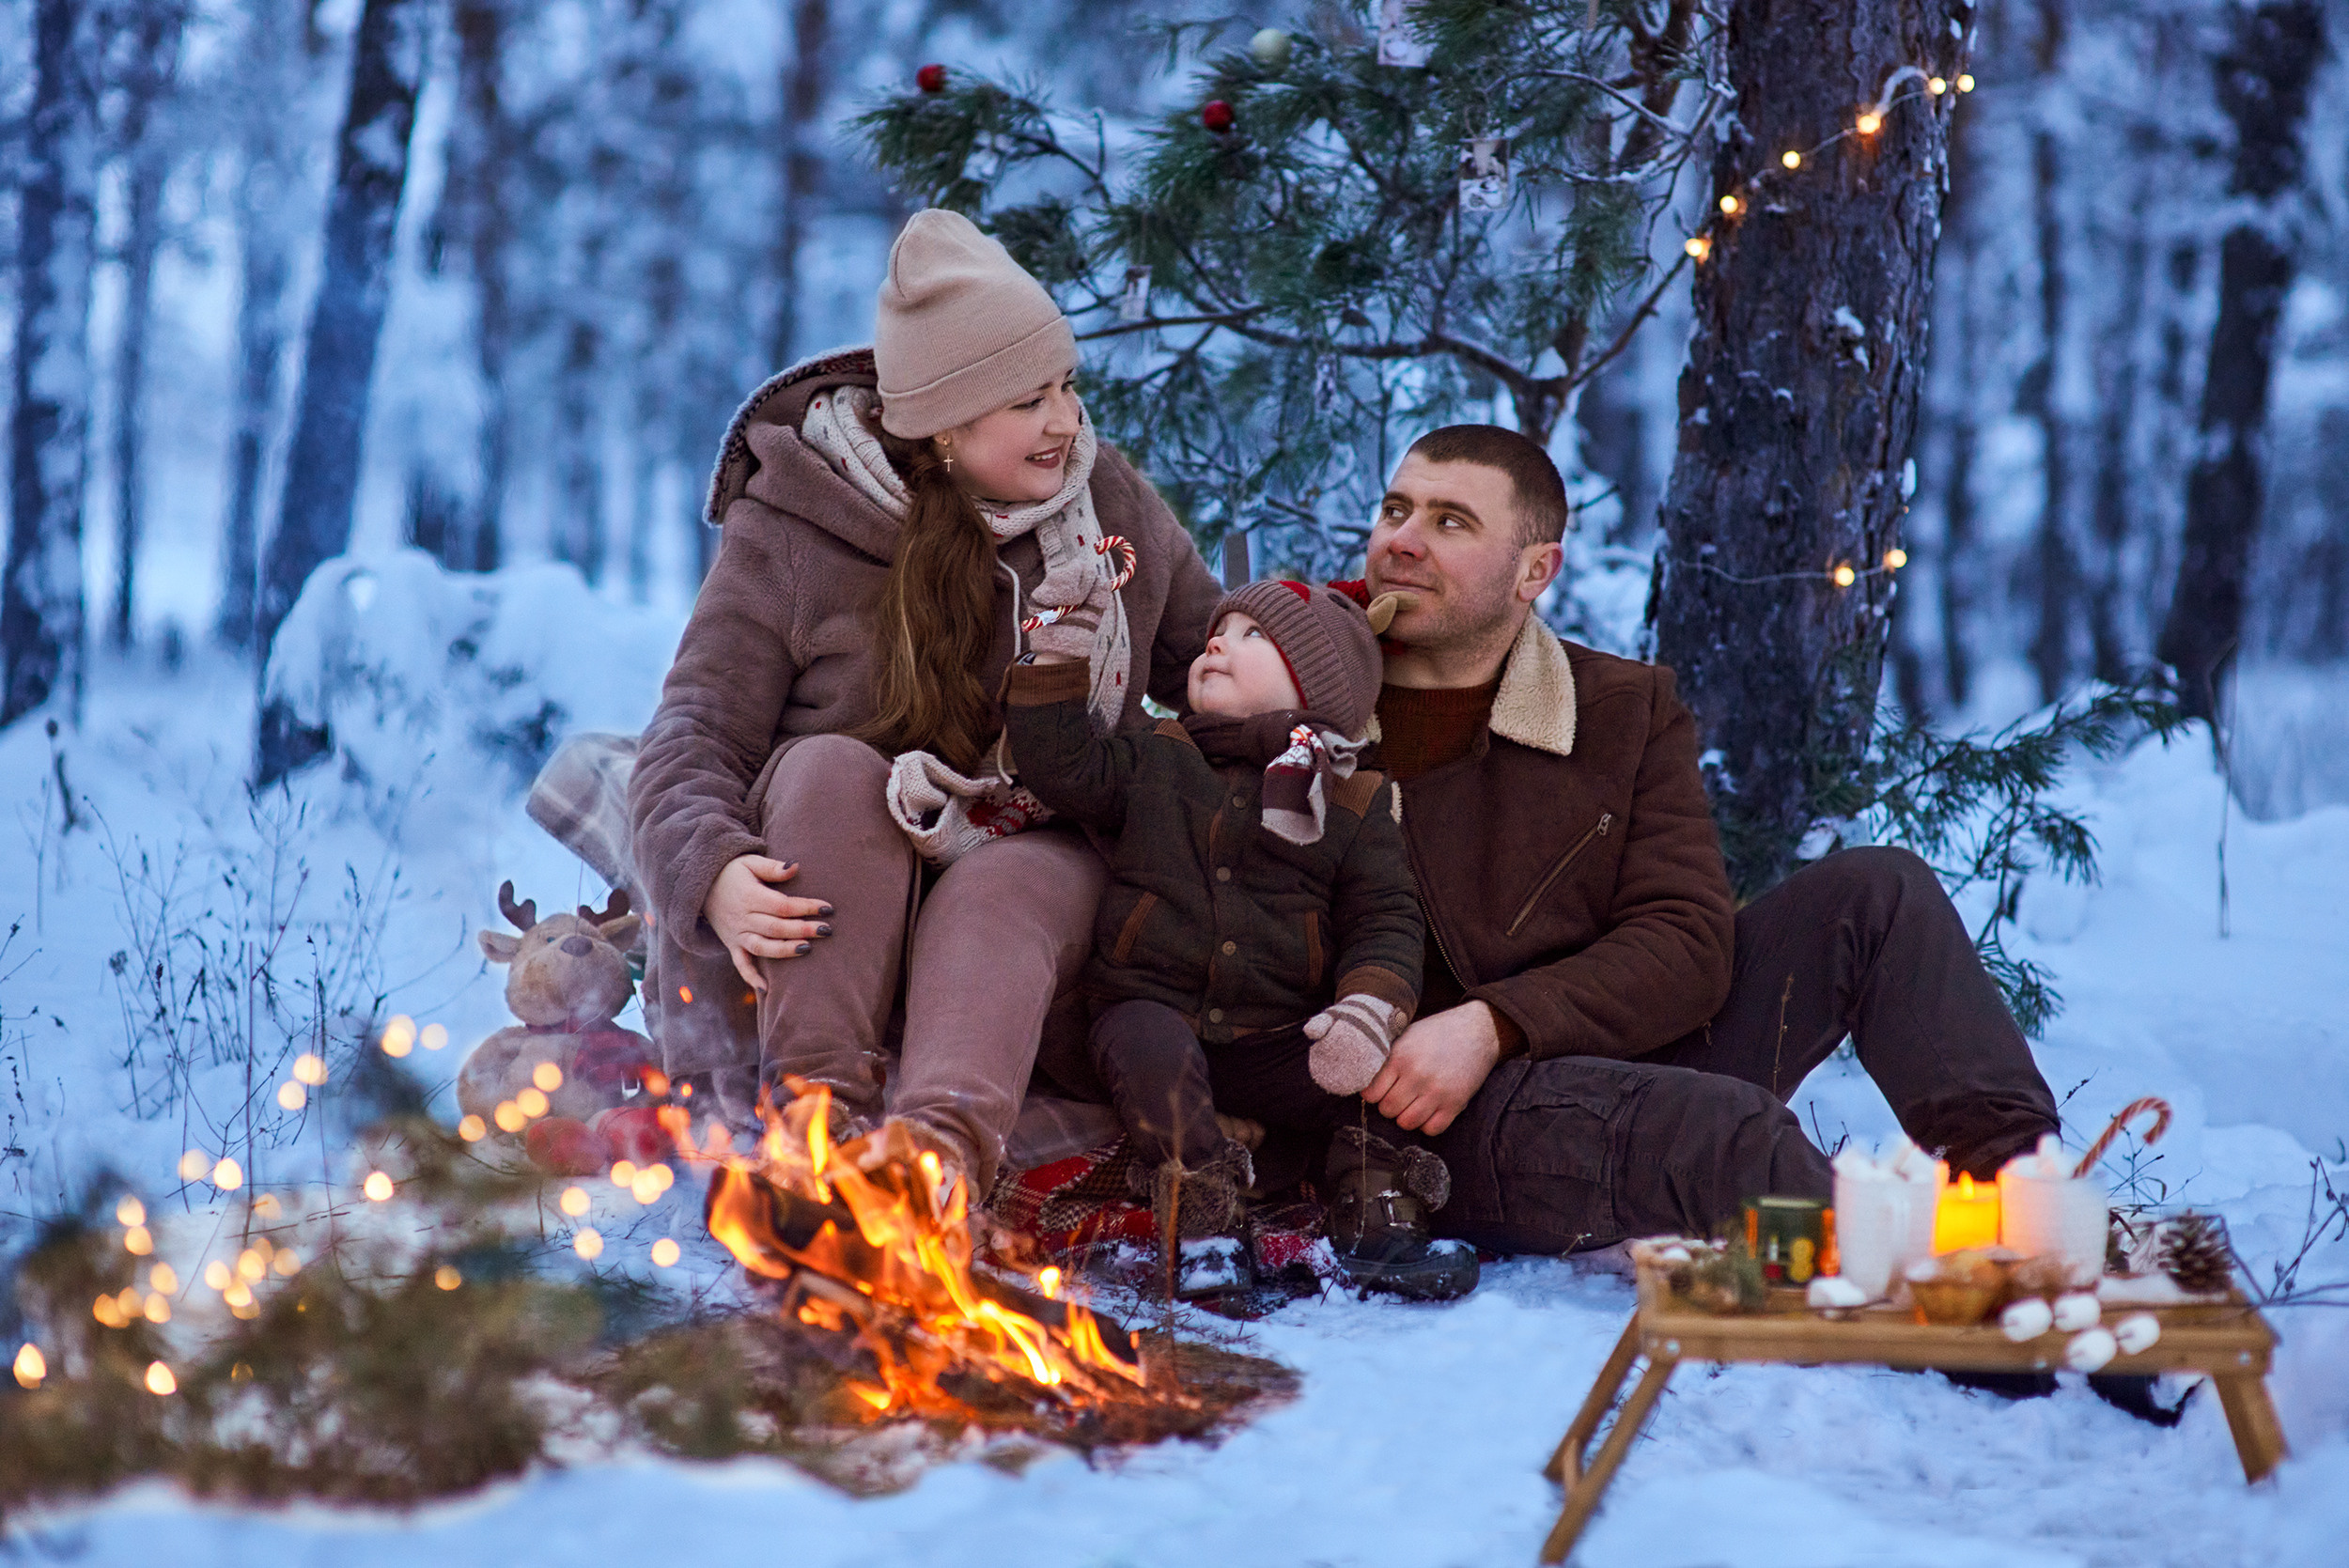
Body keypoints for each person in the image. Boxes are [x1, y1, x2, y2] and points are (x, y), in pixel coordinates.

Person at [1341, 424, 2061, 1253]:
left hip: (1599, 1052)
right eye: (1396, 510)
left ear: (1536, 570)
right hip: (1428, 1119)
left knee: (1879, 893)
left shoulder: (1620, 709)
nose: (1402, 540)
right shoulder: (1306, 706)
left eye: (1449, 521)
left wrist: (1497, 1021)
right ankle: (1929, 1286)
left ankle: (2036, 1213)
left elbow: (1686, 941)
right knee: (1726, 1129)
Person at [626, 210, 1223, 1197]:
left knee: (1012, 875)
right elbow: (693, 730)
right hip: (843, 898)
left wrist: (1310, 666)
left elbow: (1213, 664)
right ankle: (815, 1124)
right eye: (1030, 399)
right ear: (944, 422)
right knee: (827, 767)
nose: (1067, 421)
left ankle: (931, 1167)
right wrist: (712, 870)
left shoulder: (1108, 505)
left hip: (1040, 877)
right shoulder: (796, 522)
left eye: (1067, 386)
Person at [1004, 579, 1477, 1299]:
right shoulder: (1161, 754)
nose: (1216, 641)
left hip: (1274, 1030)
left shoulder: (1352, 796)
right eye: (1215, 632)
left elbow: (1385, 913)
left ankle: (1376, 1214)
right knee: (1151, 1054)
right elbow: (1067, 768)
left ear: (1317, 686)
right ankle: (1206, 1224)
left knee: (1374, 1085)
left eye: (1252, 635)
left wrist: (1366, 1010)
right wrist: (1059, 655)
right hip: (1150, 1002)